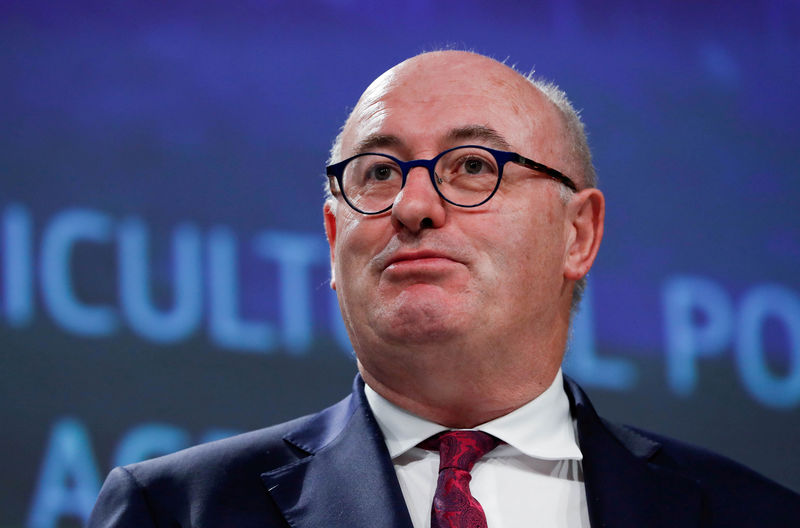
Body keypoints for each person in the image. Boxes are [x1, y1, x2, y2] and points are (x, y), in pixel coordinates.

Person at [88, 50, 800, 527]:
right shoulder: (176, 511)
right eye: (377, 172)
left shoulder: (752, 513)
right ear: (335, 244)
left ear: (577, 235)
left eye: (470, 166)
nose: (412, 205)